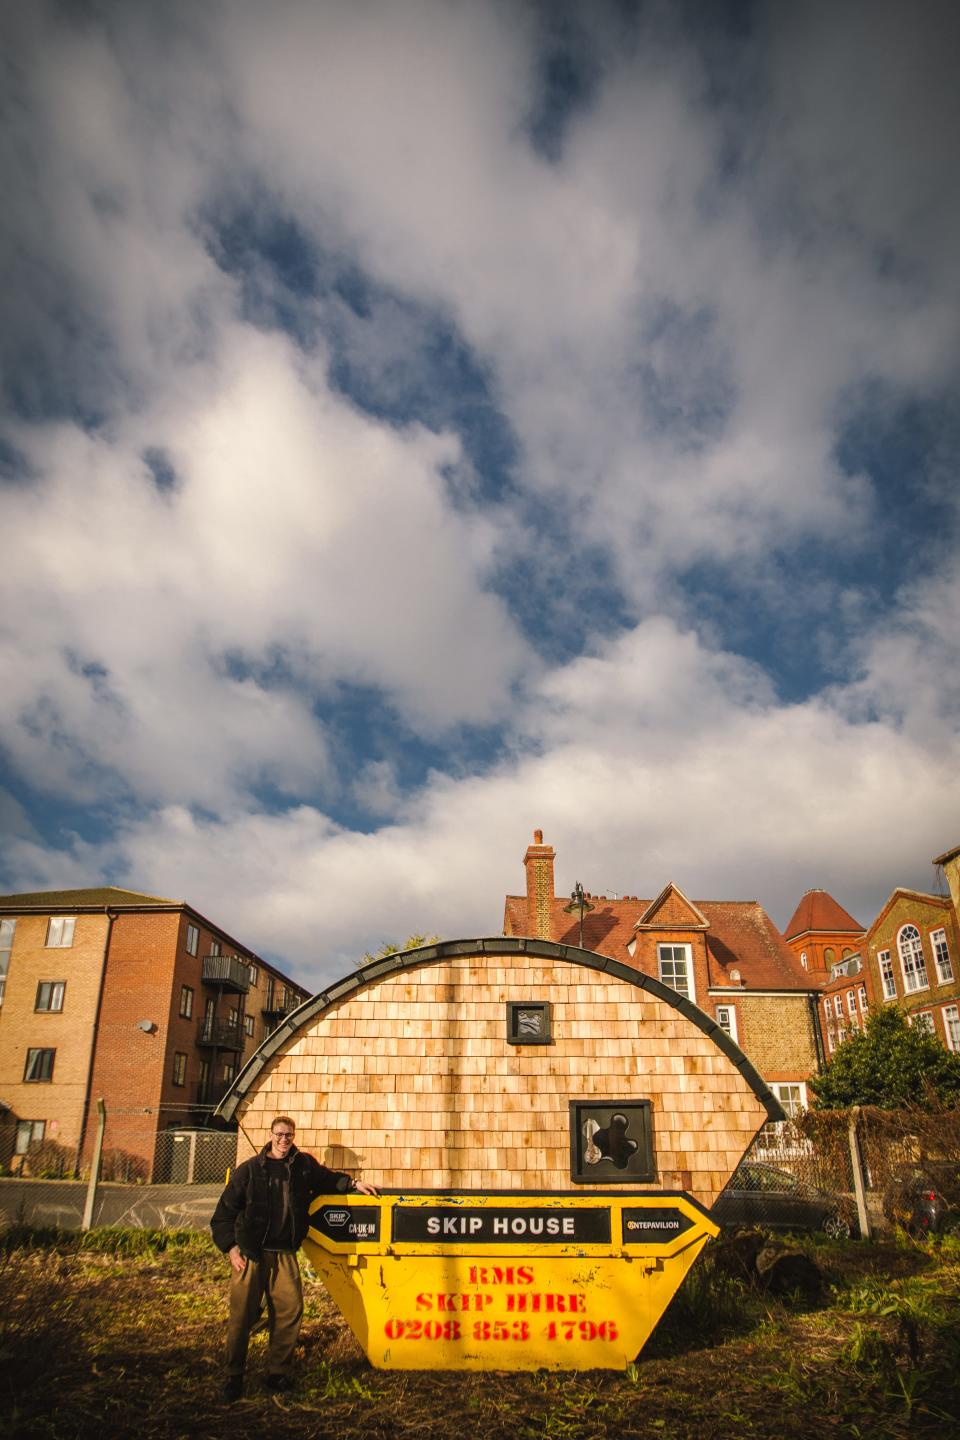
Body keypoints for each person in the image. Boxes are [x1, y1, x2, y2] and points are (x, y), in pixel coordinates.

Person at [211, 1114, 379, 1401]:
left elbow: (327, 1179)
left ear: (293, 1136)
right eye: (279, 1134)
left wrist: (353, 1184)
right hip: (250, 1254)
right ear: (271, 1135)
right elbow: (223, 1213)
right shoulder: (249, 1170)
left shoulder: (302, 1167)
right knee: (242, 1317)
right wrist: (231, 1248)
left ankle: (277, 1372)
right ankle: (234, 1377)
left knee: (290, 1311)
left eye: (288, 1135)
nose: (283, 1140)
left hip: (284, 1253)